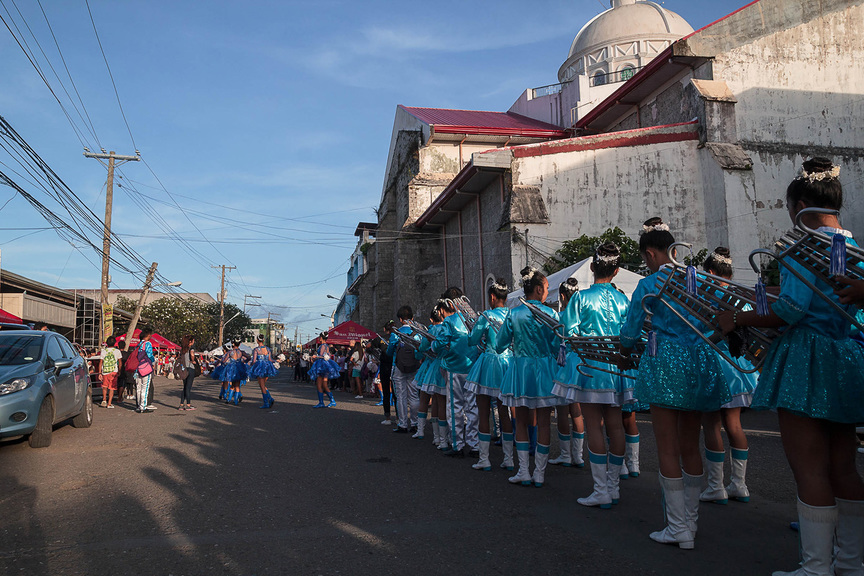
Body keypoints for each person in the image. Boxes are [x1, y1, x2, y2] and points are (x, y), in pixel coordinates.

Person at [717, 157, 864, 575]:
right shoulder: (851, 247)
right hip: (848, 356)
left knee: (809, 468)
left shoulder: (803, 246)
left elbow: (793, 310)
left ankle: (816, 567)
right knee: (844, 466)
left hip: (806, 360)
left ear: (799, 203)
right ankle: (851, 563)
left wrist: (739, 318)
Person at [618, 217, 730, 549]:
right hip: (699, 363)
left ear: (652, 254)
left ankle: (677, 527)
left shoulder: (648, 284)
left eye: (644, 257)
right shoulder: (697, 279)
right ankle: (690, 525)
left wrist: (624, 353)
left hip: (665, 361)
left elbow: (630, 331)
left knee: (666, 447)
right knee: (688, 445)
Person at [554, 244, 632, 508]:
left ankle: (601, 490)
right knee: (615, 425)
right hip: (617, 368)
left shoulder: (581, 298)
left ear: (592, 267)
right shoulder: (623, 299)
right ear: (617, 270)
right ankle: (613, 487)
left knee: (593, 425)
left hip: (589, 369)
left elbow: (569, 332)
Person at [699, 247, 758, 505]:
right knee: (734, 425)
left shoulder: (706, 295)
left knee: (711, 425)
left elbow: (698, 328)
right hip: (738, 365)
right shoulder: (741, 294)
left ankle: (716, 486)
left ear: (711, 271)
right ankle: (739, 485)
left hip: (714, 362)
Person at [495, 267, 560, 487]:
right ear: (539, 288)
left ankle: (523, 470)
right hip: (544, 370)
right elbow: (557, 345)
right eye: (547, 288)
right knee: (543, 423)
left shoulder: (514, 312)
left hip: (520, 369)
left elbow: (500, 344)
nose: (547, 292)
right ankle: (539, 473)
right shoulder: (551, 314)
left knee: (520, 420)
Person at [466, 279, 513, 470]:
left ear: (492, 297)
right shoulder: (512, 314)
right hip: (509, 363)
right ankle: (509, 459)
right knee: (505, 412)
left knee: (483, 411)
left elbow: (472, 340)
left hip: (488, 363)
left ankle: (484, 459)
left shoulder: (486, 315)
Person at [432, 288, 481, 458]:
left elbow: (439, 345)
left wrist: (436, 347)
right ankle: (474, 445)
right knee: (473, 406)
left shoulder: (450, 321)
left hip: (453, 368)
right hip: (472, 368)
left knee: (455, 407)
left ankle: (458, 444)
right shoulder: (473, 319)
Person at [548, 277, 586, 469]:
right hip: (581, 364)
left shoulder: (562, 317)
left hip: (564, 365)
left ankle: (565, 454)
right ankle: (578, 455)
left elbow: (555, 344)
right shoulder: (583, 314)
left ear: (562, 296)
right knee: (577, 411)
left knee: (562, 411)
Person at [412, 309, 446, 443]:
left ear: (431, 320)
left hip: (430, 368)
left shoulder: (431, 330)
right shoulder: (446, 328)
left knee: (424, 400)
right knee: (439, 402)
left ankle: (421, 431)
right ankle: (439, 437)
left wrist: (417, 347)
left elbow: (421, 350)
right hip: (444, 364)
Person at [387, 306, 422, 434]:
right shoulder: (417, 333)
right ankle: (415, 423)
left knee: (400, 396)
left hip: (399, 367)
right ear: (412, 318)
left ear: (400, 319)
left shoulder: (395, 334)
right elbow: (420, 351)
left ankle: (402, 424)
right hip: (414, 366)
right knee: (414, 395)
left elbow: (390, 351)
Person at [308, 333, 339, 408]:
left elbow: (322, 355)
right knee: (325, 384)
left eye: (319, 337)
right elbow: (327, 355)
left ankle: (321, 402)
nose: (319, 338)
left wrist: (315, 356)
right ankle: (332, 400)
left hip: (321, 366)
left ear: (321, 337)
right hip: (326, 365)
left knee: (319, 384)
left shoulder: (322, 346)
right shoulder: (327, 346)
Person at [250, 334, 277, 409]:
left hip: (260, 368)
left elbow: (254, 361)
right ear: (263, 340)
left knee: (262, 386)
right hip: (267, 367)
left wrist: (250, 364)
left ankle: (267, 403)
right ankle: (270, 399)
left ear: (257, 340)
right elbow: (270, 359)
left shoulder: (256, 349)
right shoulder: (268, 349)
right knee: (263, 385)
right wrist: (276, 361)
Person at [134, 329, 156, 413]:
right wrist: (153, 362)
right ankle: (143, 406)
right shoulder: (147, 344)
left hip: (137, 369)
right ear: (147, 335)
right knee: (145, 387)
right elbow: (150, 354)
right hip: (145, 368)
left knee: (138, 388)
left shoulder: (138, 345)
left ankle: (139, 405)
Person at [378, 323, 395, 424]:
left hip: (385, 366)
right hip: (395, 365)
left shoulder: (380, 338)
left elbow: (369, 346)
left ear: (384, 329)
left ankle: (388, 417)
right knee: (397, 393)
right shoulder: (397, 337)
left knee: (386, 391)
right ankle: (399, 418)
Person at [99, 335, 122, 409]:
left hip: (105, 371)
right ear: (115, 343)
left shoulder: (103, 351)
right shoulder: (117, 351)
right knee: (112, 388)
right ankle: (109, 403)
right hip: (114, 372)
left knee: (104, 386)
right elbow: (120, 362)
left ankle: (104, 400)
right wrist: (119, 370)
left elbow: (100, 362)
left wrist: (100, 373)